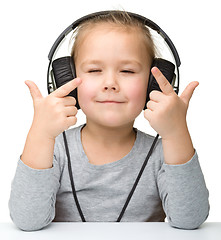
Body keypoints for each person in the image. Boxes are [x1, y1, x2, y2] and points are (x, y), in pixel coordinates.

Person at [9, 11, 209, 231]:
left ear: (152, 84)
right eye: (94, 70)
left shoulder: (166, 152)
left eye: (127, 70)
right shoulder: (52, 149)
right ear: (64, 78)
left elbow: (190, 221)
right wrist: (40, 133)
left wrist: (176, 132)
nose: (110, 83)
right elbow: (27, 222)